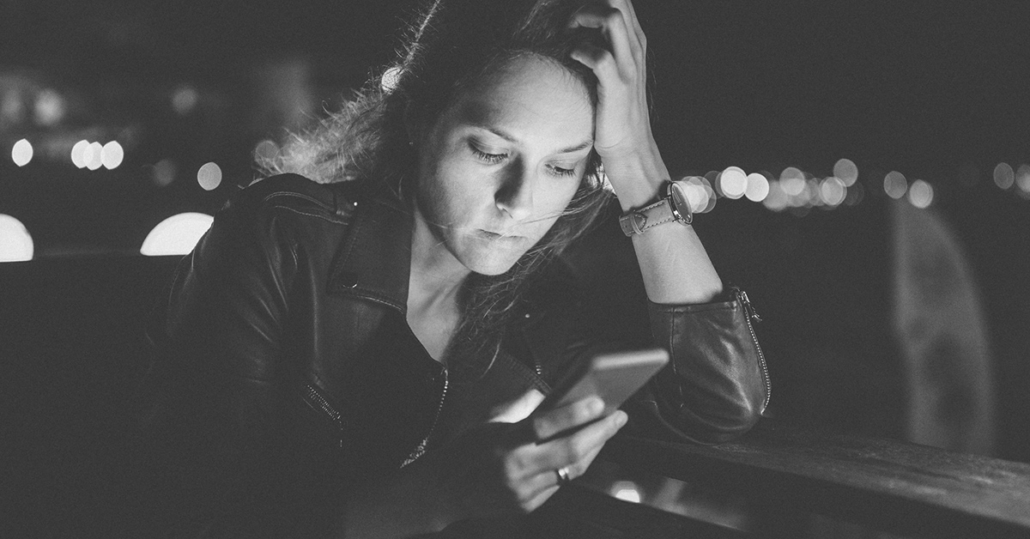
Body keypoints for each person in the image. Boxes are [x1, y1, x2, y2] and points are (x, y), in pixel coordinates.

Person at [117, 0, 769, 536]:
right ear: (420, 119)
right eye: (490, 151)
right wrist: (427, 497)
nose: (521, 201)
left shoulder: (540, 300)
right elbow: (183, 511)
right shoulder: (284, 236)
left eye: (561, 166)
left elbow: (721, 403)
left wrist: (637, 160)